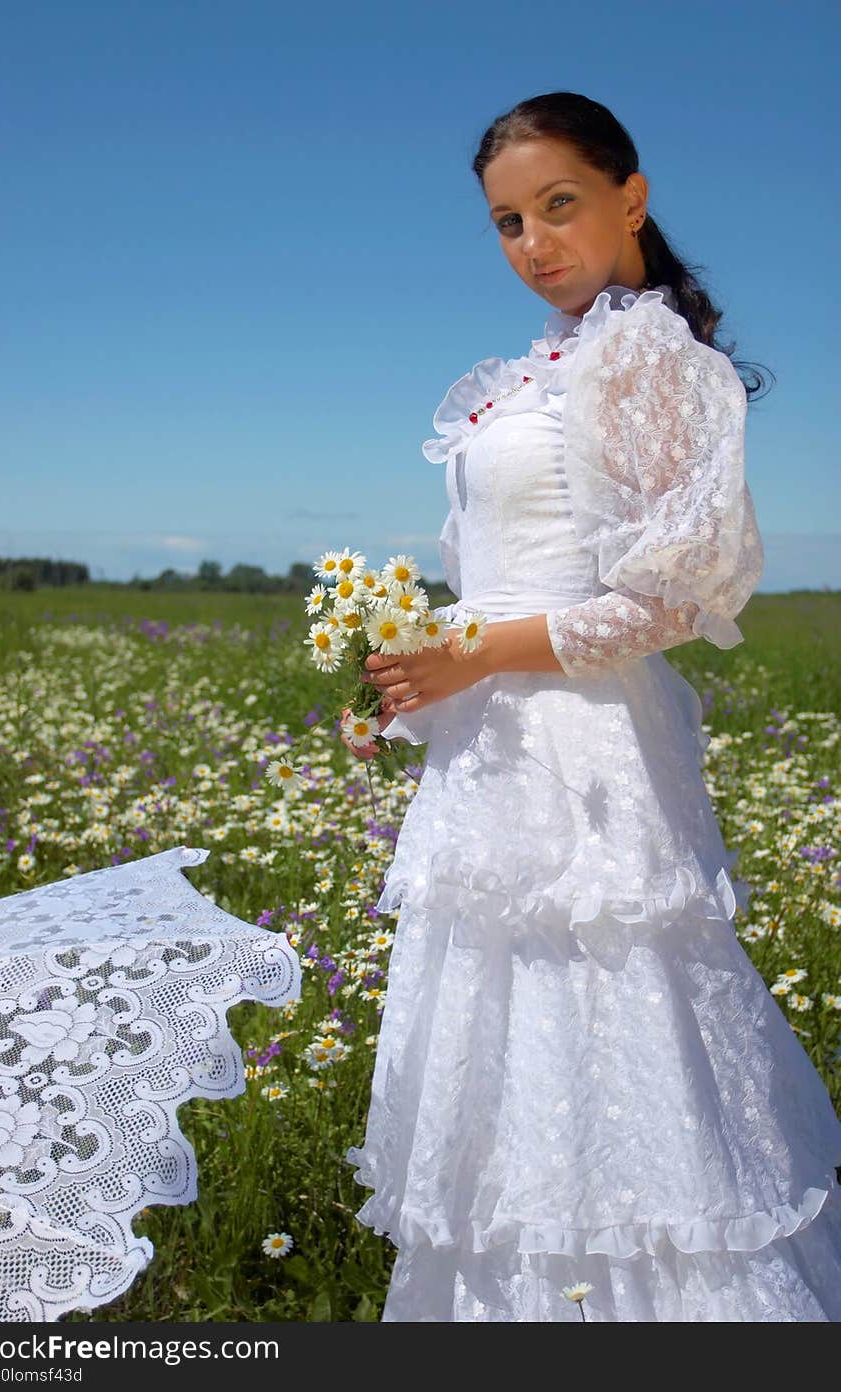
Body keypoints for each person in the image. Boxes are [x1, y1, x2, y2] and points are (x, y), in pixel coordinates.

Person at [341, 91, 841, 1322]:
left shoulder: (649, 354)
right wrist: (414, 678)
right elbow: (492, 578)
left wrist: (480, 653)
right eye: (507, 222)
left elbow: (677, 595)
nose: (534, 244)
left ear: (632, 195)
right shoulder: (529, 374)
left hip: (589, 749)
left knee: (604, 1009)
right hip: (491, 743)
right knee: (498, 1042)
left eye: (558, 206)